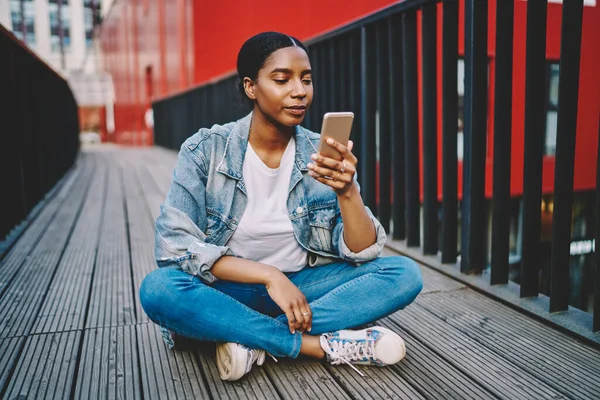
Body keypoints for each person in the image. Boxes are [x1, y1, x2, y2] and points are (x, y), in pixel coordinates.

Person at [139, 31, 423, 381]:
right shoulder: (205, 150)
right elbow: (173, 246)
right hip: (228, 290)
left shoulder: (321, 152)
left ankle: (248, 338)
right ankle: (315, 345)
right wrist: (269, 275)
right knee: (159, 289)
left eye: (306, 79)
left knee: (403, 275)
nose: (300, 91)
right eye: (281, 79)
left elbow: (362, 253)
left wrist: (349, 193)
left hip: (303, 289)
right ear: (250, 87)